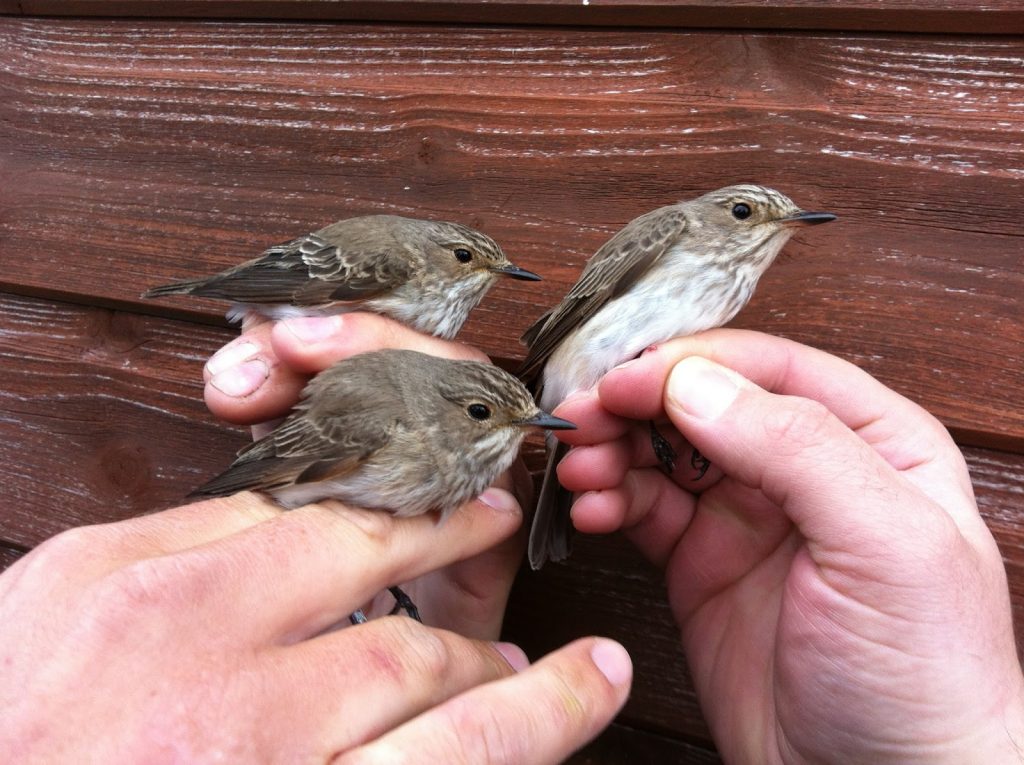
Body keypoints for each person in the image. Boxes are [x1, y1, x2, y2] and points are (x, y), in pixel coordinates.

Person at [1, 312, 1021, 763]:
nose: (523, 438)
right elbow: (273, 472)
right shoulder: (379, 421)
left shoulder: (471, 454)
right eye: (497, 424)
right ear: (450, 417)